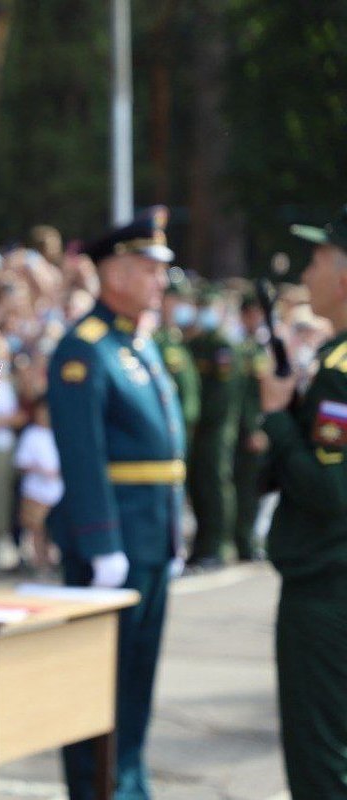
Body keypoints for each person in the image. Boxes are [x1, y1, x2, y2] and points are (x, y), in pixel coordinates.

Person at [47, 206, 186, 800]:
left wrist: (181, 524)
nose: (161, 281)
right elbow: (82, 455)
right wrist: (102, 544)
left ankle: (128, 780)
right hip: (116, 543)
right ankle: (100, 787)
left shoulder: (137, 343)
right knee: (98, 687)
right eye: (150, 268)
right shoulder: (86, 348)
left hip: (152, 536)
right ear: (117, 271)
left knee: (136, 681)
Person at [260, 206, 347, 799]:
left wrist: (276, 415)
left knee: (320, 761)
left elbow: (329, 490)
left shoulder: (340, 371)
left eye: (318, 260)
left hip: (326, 586)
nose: (307, 275)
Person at [185, 286, 242, 568]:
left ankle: (219, 544)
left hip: (216, 429)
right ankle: (202, 544)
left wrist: (200, 421)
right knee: (197, 487)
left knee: (215, 485)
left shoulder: (223, 346)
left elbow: (223, 396)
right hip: (197, 430)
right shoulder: (195, 344)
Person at [233, 294, 269, 561]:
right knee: (244, 490)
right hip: (245, 431)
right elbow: (243, 396)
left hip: (259, 427)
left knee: (254, 490)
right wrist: (250, 429)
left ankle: (248, 540)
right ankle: (242, 542)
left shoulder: (258, 347)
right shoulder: (240, 349)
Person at [13, 395, 62, 575]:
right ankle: (38, 562)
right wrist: (40, 470)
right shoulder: (31, 434)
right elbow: (21, 463)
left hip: (56, 491)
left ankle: (50, 561)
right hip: (35, 491)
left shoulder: (59, 432)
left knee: (52, 530)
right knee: (36, 529)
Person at [153, 270, 200, 443]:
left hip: (185, 427)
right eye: (179, 300)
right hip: (169, 429)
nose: (185, 306)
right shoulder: (157, 341)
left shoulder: (179, 339)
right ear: (165, 301)